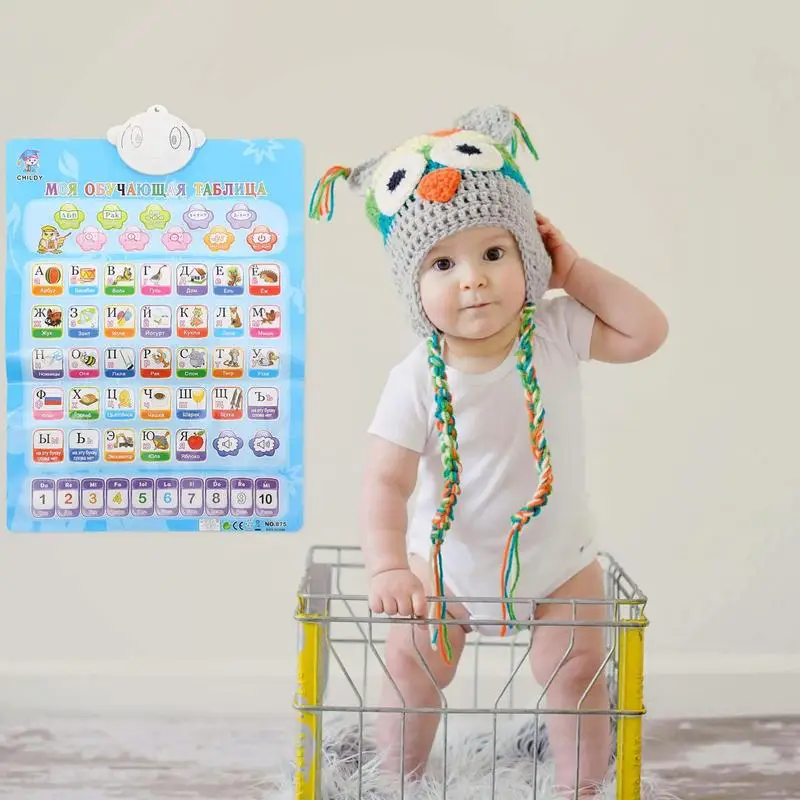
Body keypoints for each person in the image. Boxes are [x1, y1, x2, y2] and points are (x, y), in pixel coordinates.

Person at [309, 104, 668, 796]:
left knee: (577, 670)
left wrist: (574, 270)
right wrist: (390, 567)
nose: (472, 278)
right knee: (411, 663)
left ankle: (581, 788)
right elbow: (385, 483)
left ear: (530, 257)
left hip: (560, 561)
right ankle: (398, 779)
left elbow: (645, 332)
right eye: (443, 263)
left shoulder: (556, 331)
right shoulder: (417, 377)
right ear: (412, 287)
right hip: (445, 565)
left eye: (494, 254)